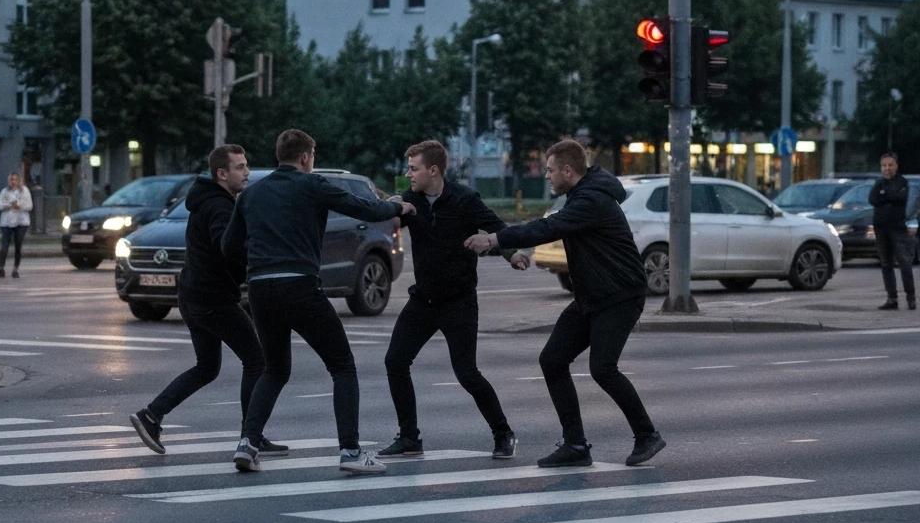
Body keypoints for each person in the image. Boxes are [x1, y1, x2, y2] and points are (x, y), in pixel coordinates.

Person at [222, 128, 414, 476]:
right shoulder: (314, 185)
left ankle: (247, 444)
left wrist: (259, 259)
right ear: (307, 157)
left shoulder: (252, 194)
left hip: (262, 290)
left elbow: (229, 247)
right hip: (301, 286)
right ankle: (351, 451)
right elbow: (364, 208)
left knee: (274, 369)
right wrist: (397, 206)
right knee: (342, 366)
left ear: (280, 154)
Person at [465, 139, 665, 469]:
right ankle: (575, 445)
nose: (546, 176)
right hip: (592, 297)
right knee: (553, 360)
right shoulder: (583, 195)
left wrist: (496, 238)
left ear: (567, 171)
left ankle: (647, 435)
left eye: (550, 170)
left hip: (620, 296)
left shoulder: (592, 201)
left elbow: (549, 227)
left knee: (603, 368)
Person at [129, 145, 286, 457]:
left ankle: (152, 415)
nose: (247, 173)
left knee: (207, 367)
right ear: (222, 174)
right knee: (258, 361)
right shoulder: (219, 208)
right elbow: (226, 247)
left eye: (246, 165)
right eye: (240, 167)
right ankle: (250, 436)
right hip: (213, 299)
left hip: (193, 296)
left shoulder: (207, 201)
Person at [379, 139, 530, 460]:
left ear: (433, 170)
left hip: (458, 302)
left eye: (414, 168)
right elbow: (391, 211)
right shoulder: (412, 199)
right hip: (423, 300)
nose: (409, 174)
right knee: (395, 361)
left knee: (466, 372)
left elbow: (497, 229)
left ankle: (503, 434)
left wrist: (513, 253)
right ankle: (409, 438)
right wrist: (389, 203)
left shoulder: (464, 199)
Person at [869, 152, 916, 311]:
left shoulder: (902, 182)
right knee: (886, 264)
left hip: (898, 229)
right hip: (881, 229)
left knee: (904, 263)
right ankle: (892, 299)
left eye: (890, 165)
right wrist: (887, 196)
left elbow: (899, 198)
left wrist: (885, 196)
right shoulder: (878, 183)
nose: (887, 168)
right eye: (884, 165)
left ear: (896, 166)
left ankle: (911, 298)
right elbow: (873, 199)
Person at [0, 172, 33, 278]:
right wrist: (10, 204)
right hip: (6, 222)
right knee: (4, 245)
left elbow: (29, 206)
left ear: (18, 180)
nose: (13, 182)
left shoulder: (24, 191)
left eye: (15, 179)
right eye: (11, 179)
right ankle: (1, 268)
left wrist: (18, 205)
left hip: (21, 222)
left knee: (18, 244)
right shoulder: (4, 191)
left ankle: (15, 268)